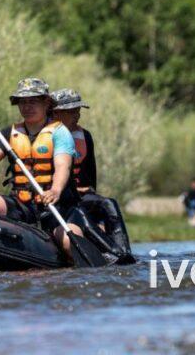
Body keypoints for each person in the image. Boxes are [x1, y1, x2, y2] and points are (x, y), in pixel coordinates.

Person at [0, 78, 84, 262]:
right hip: (22, 204)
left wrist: (55, 190)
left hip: (55, 207)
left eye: (32, 101)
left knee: (69, 240)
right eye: (22, 102)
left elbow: (63, 166)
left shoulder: (60, 132)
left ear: (46, 103)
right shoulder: (10, 132)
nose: (26, 106)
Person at [50, 89, 134, 263]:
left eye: (78, 110)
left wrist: (90, 191)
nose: (77, 115)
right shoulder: (47, 135)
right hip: (61, 195)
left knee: (108, 204)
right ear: (56, 113)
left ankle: (123, 253)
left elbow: (90, 171)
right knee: (95, 210)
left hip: (83, 194)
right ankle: (115, 254)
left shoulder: (85, 135)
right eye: (72, 111)